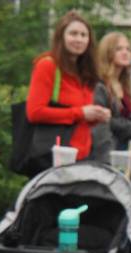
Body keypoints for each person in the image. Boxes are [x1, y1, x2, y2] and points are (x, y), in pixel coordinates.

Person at [26, 11, 107, 162]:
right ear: (61, 37)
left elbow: (80, 117)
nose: (79, 39)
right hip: (56, 157)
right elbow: (34, 112)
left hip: (83, 156)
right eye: (73, 34)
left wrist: (96, 115)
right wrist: (81, 113)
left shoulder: (85, 71)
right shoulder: (47, 65)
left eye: (84, 35)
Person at [94, 32, 131, 159]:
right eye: (119, 49)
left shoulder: (126, 84)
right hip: (106, 151)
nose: (125, 52)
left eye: (128, 49)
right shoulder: (99, 84)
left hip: (127, 150)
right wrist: (128, 126)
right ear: (107, 52)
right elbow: (101, 120)